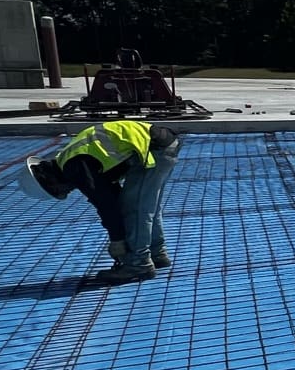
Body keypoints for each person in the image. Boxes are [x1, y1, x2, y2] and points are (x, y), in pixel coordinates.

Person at [19, 120, 183, 283]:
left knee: (136, 209)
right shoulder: (71, 157)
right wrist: (118, 234)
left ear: (49, 180)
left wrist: (117, 240)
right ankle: (156, 253)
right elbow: (112, 196)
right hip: (162, 143)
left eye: (57, 190)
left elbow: (106, 204)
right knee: (145, 206)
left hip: (153, 148)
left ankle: (138, 263)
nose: (66, 191)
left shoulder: (74, 167)